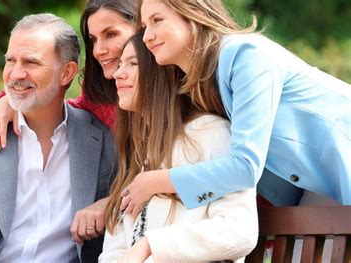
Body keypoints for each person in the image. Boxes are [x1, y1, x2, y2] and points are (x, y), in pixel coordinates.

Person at [118, 0, 351, 217]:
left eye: (157, 20)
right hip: (318, 189)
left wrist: (156, 181)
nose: (147, 36)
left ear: (193, 14)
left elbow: (245, 166)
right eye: (145, 26)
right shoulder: (202, 82)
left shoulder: (245, 55)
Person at [0, 13, 117, 262]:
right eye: (10, 60)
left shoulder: (103, 140)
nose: (15, 74)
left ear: (66, 73)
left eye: (31, 62)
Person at [0, 0, 141, 244]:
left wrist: (109, 203)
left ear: (141, 28)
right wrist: (10, 100)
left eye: (111, 34)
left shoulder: (171, 90)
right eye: (94, 39)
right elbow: (69, 111)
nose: (99, 50)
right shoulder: (102, 94)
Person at [99, 31, 258, 262]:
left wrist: (151, 246)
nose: (117, 74)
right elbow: (115, 246)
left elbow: (238, 231)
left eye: (133, 63)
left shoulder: (211, 134)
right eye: (120, 64)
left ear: (161, 72)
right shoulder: (139, 151)